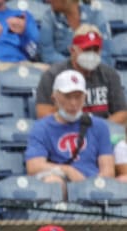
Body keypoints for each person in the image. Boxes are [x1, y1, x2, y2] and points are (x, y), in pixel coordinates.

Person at [25, 69, 115, 198]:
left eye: (78, 97)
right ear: (54, 98)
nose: (73, 103)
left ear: (85, 97)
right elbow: (33, 166)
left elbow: (108, 170)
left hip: (93, 184)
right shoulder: (42, 127)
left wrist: (91, 186)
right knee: (53, 183)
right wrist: (67, 170)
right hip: (62, 181)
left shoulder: (99, 126)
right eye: (67, 97)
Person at [36, 25, 127, 124]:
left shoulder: (109, 75)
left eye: (95, 49)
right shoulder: (53, 75)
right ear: (72, 50)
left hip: (100, 129)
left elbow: (122, 113)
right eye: (86, 49)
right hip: (65, 129)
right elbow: (43, 113)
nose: (91, 54)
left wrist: (98, 129)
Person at [39, 0, 112, 66]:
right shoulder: (49, 17)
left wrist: (84, 66)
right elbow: (48, 55)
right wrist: (76, 65)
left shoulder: (96, 15)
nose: (48, 1)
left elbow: (105, 57)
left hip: (94, 70)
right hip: (62, 71)